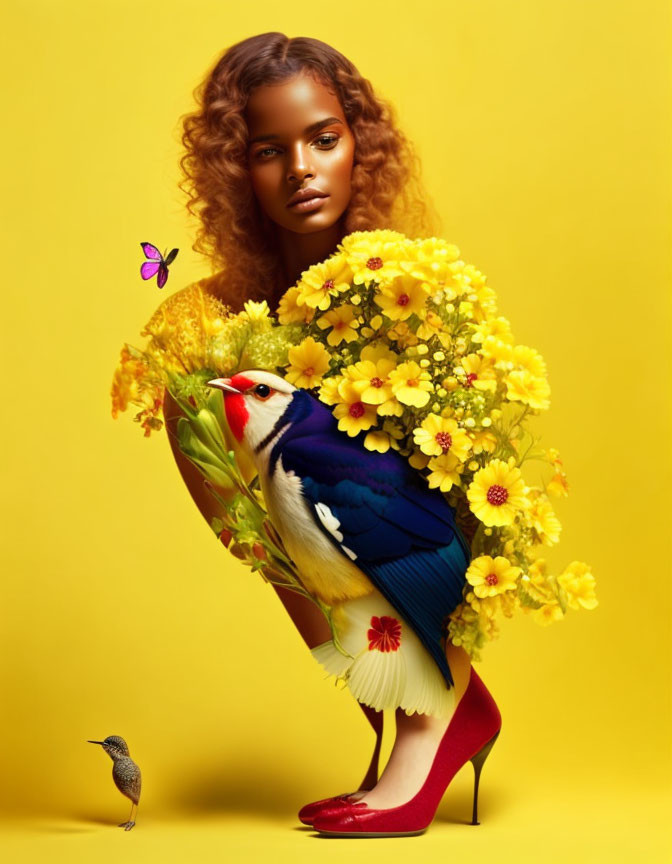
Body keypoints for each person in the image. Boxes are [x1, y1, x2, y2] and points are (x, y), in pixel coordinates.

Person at [163, 32, 501, 836]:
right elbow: (245, 523)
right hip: (313, 559)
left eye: (324, 139)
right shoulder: (211, 323)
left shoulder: (411, 291)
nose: (302, 170)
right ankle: (405, 692)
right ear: (234, 172)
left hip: (424, 547)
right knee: (198, 384)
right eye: (267, 150)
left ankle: (435, 712)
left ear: (361, 146)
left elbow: (458, 500)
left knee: (333, 443)